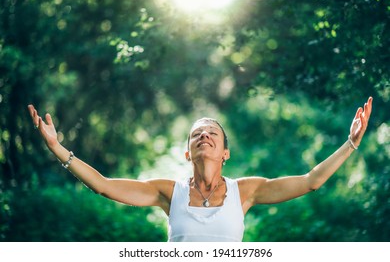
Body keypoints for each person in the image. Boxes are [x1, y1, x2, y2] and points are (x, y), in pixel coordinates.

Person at [27, 97, 373, 242]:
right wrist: (58, 148)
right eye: (196, 134)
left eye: (212, 133)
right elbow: (103, 185)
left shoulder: (247, 190)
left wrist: (352, 143)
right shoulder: (167, 191)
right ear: (187, 151)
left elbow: (311, 181)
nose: (204, 135)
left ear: (225, 153)